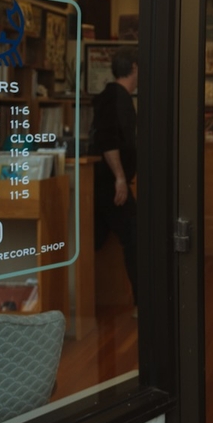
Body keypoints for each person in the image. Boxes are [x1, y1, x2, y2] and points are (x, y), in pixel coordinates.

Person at [91, 46, 139, 315]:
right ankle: (141, 304)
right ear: (134, 68)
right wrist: (120, 178)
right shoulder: (114, 98)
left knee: (96, 240)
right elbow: (107, 140)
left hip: (107, 185)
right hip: (109, 186)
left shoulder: (117, 96)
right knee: (134, 236)